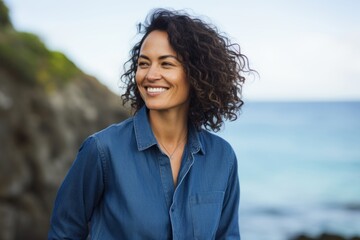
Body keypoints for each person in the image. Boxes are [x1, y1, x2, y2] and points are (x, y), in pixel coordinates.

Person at [48, 8, 252, 240]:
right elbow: (64, 233)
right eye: (144, 63)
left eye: (166, 64)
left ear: (196, 74)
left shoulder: (222, 157)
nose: (151, 75)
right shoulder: (102, 151)